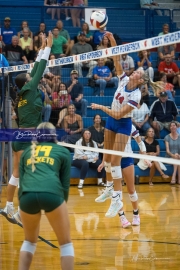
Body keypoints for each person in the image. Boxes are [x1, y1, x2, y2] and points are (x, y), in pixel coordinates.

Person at [0, 33, 53, 223]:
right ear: (27, 81)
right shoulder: (30, 89)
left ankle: (8, 206)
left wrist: (39, 52)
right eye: (30, 76)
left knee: (16, 173)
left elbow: (36, 67)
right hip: (29, 136)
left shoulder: (23, 92)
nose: (32, 75)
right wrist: (48, 48)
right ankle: (21, 213)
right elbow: (41, 68)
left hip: (19, 135)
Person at [91, 32, 143, 218]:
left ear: (141, 80)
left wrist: (101, 107)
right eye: (136, 70)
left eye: (138, 72)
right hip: (112, 121)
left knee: (114, 161)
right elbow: (116, 60)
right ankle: (108, 188)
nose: (135, 71)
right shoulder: (124, 80)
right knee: (105, 158)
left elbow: (119, 114)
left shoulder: (136, 96)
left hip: (122, 123)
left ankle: (116, 199)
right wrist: (112, 41)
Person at [18, 122, 74, 270]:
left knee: (29, 242)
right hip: (52, 195)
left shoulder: (26, 152)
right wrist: (61, 205)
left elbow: (21, 182)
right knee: (66, 244)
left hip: (26, 196)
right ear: (54, 135)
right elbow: (65, 185)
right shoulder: (63, 152)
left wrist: (21, 206)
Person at [95, 125, 147, 227]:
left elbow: (140, 142)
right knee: (116, 191)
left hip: (127, 159)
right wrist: (104, 161)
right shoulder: (111, 126)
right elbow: (107, 146)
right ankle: (122, 217)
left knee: (131, 190)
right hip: (114, 160)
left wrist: (144, 156)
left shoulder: (130, 126)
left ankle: (136, 214)